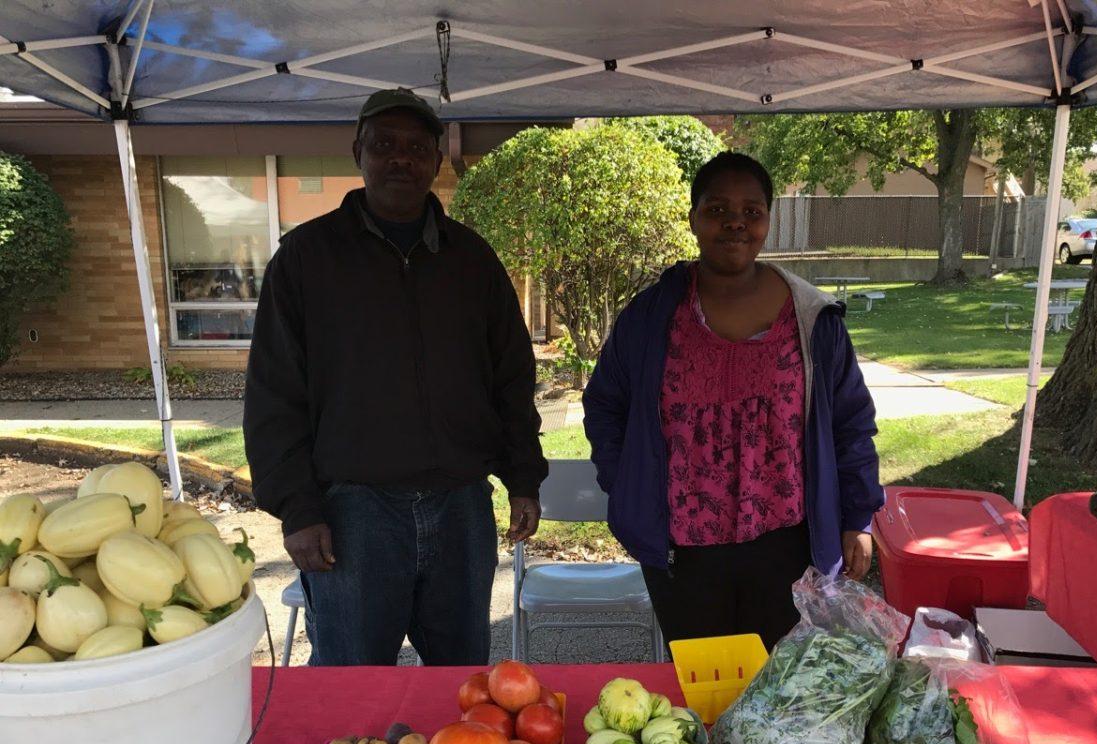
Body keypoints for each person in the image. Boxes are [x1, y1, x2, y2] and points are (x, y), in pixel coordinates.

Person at [244, 89, 547, 666]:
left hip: (461, 505)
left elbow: (511, 377)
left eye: (415, 147)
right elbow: (273, 396)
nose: (400, 159)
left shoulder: (473, 261)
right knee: (351, 687)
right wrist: (299, 509)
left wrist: (522, 477)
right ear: (359, 152)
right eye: (385, 145)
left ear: (436, 159)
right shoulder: (306, 260)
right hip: (353, 512)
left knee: (461, 688)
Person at [582, 152, 882, 650]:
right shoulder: (653, 316)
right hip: (683, 549)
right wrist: (629, 484)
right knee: (702, 688)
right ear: (694, 218)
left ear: (768, 219)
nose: (735, 222)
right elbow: (606, 405)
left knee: (775, 690)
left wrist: (857, 517)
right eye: (717, 209)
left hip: (789, 544)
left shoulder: (812, 320)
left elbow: (851, 424)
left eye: (752, 210)